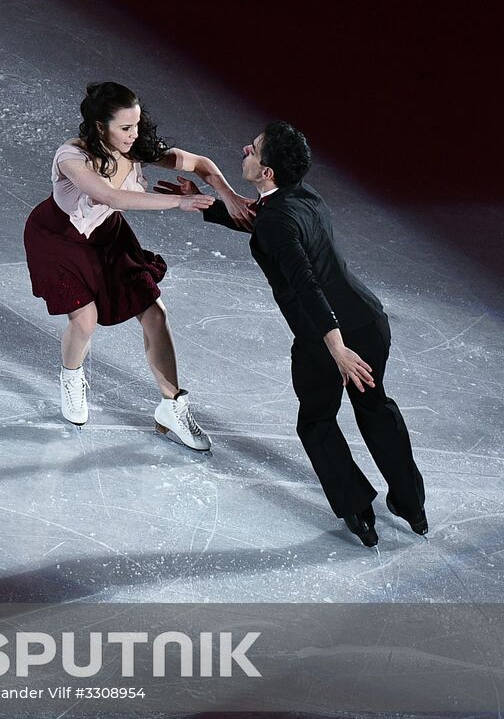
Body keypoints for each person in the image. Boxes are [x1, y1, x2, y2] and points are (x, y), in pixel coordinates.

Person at [156, 121, 427, 546]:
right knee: (374, 406)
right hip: (368, 322)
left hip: (324, 336)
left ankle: (358, 511)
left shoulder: (277, 220)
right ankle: (412, 507)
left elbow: (305, 283)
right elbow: (267, 225)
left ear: (266, 172)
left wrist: (335, 347)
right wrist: (206, 204)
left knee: (316, 420)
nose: (245, 148)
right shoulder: (302, 196)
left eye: (255, 149)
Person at [23, 82, 252, 450]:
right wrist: (179, 205)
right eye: (125, 128)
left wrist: (229, 194)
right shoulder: (71, 157)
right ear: (101, 127)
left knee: (155, 314)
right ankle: (71, 376)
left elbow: (201, 165)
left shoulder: (137, 148)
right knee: (85, 319)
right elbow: (110, 196)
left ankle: (172, 407)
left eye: (137, 125)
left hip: (109, 237)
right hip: (58, 239)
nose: (135, 135)